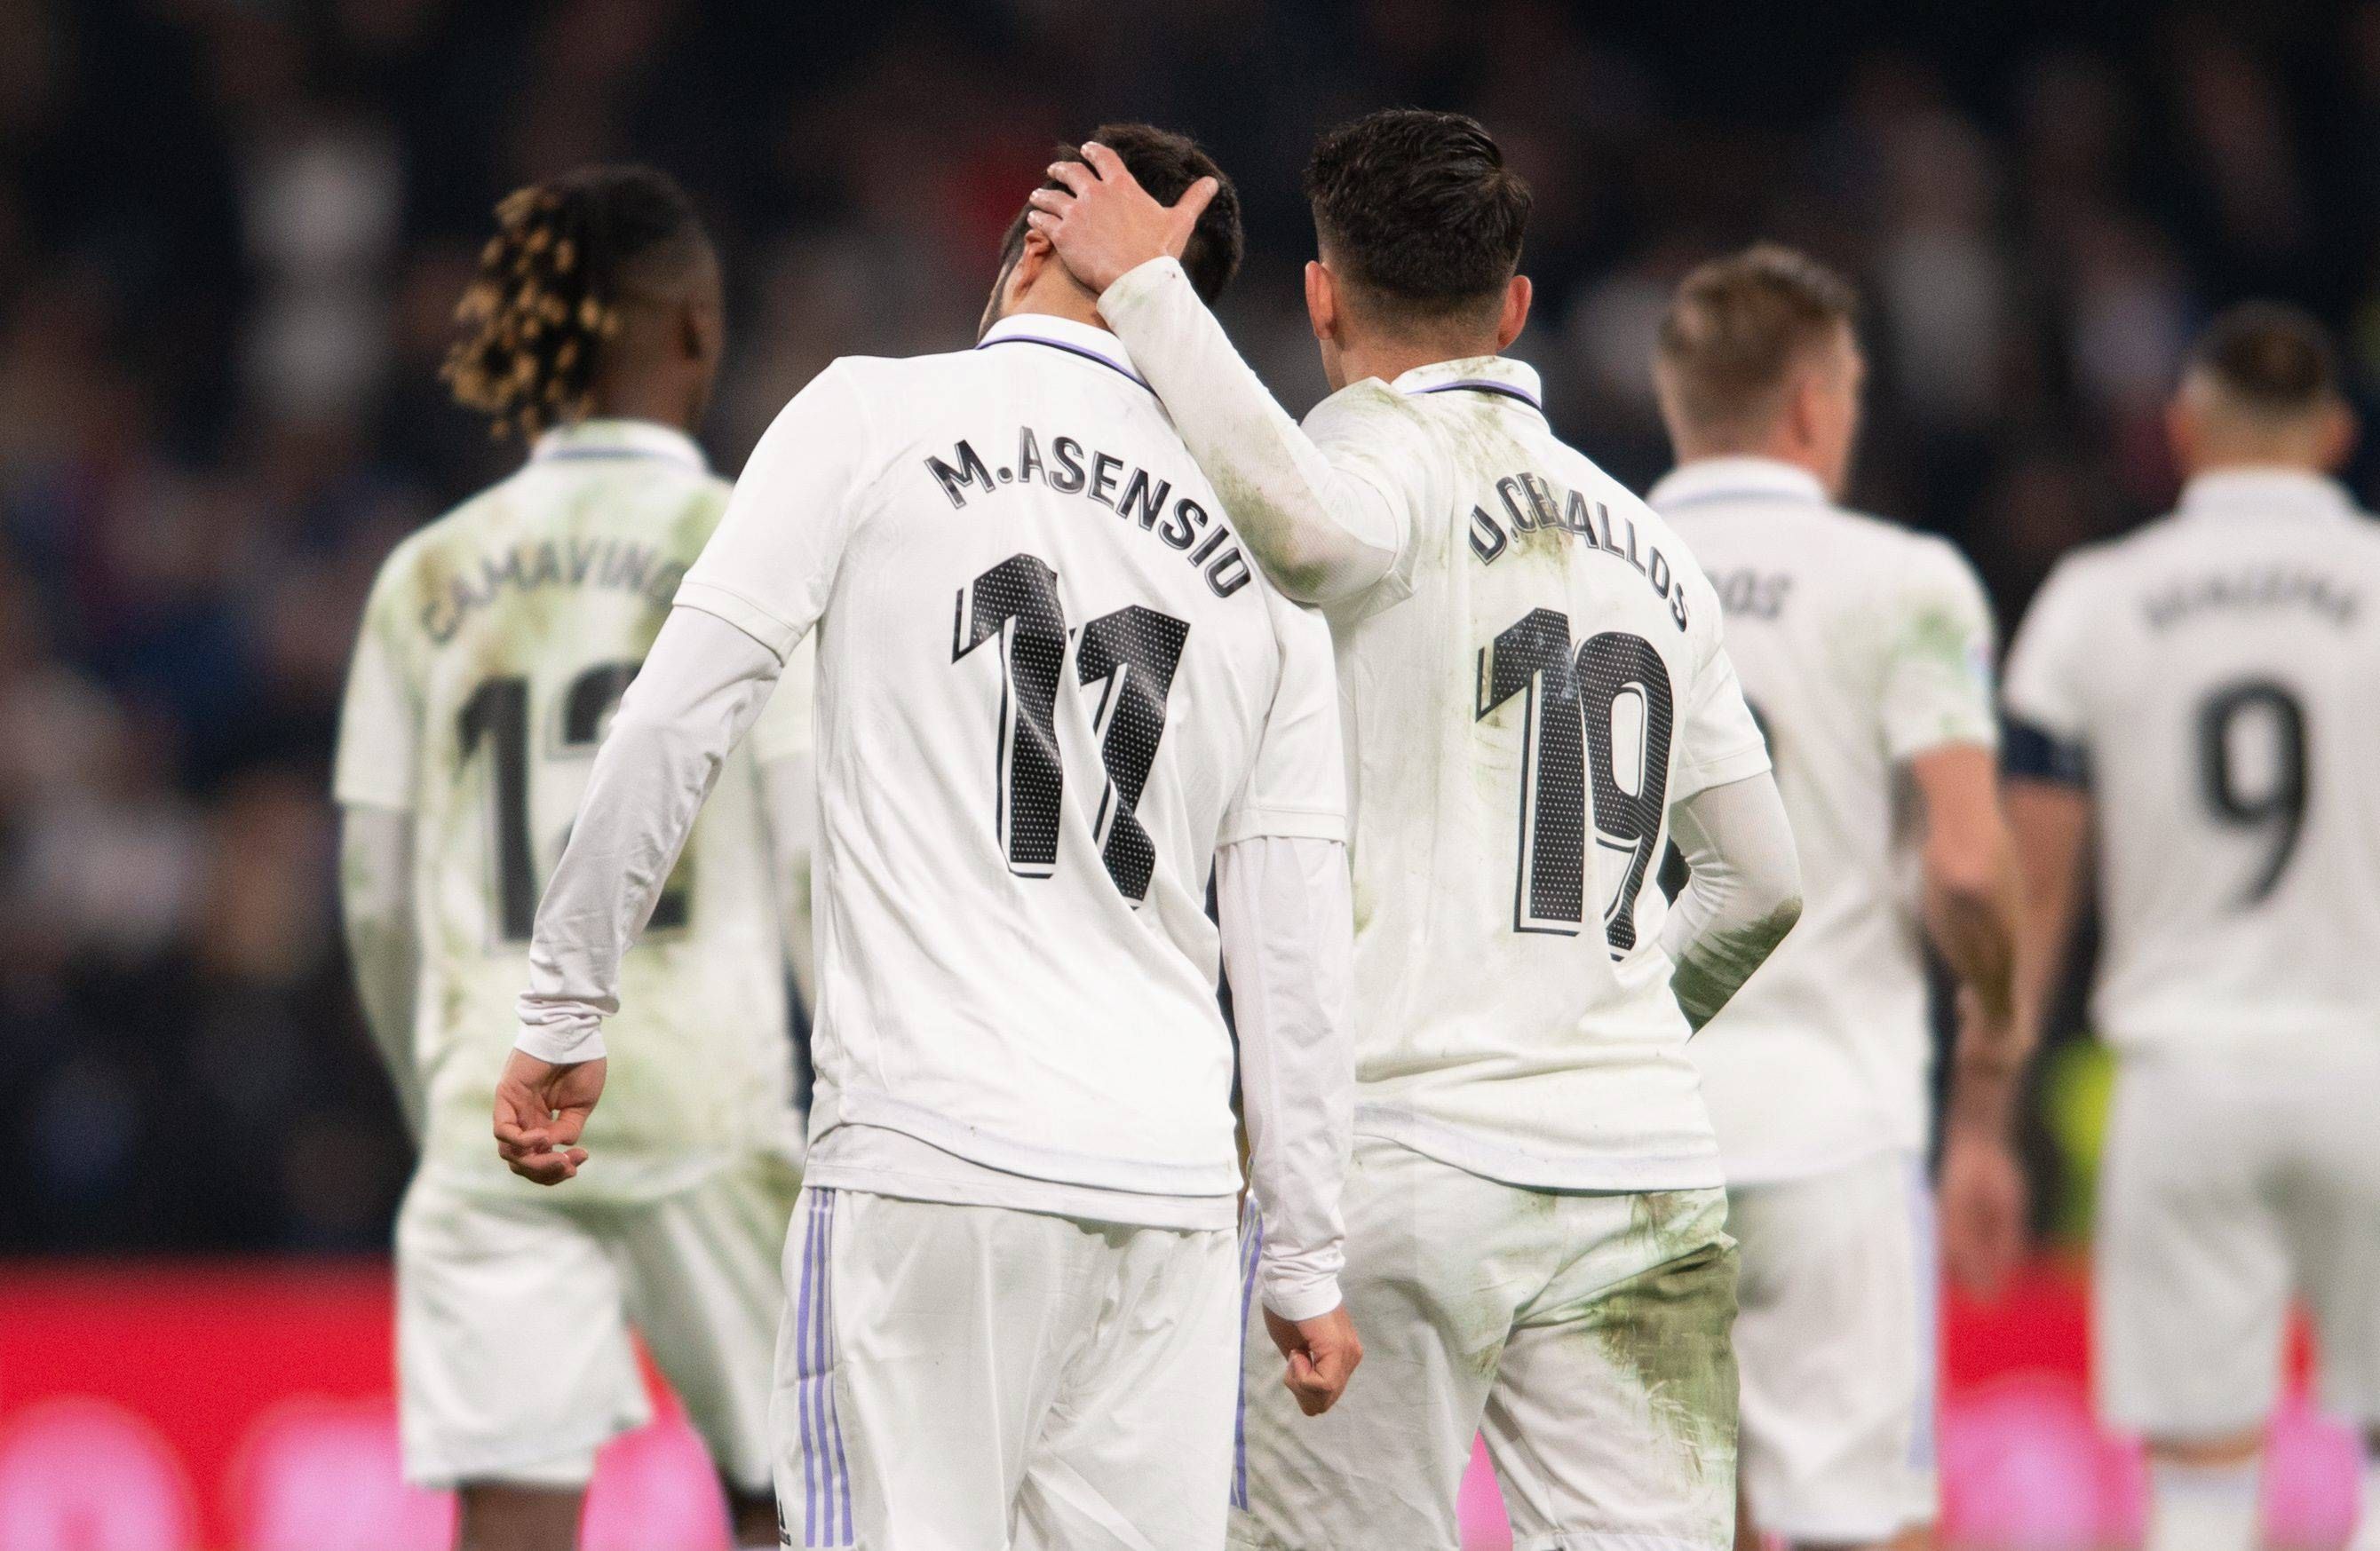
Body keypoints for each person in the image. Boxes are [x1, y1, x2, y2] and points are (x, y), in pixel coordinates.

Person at [493, 123, 1360, 1550]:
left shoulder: (871, 417)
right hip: (1168, 1189)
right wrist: (1309, 1252)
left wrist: (569, 1001)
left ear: (1032, 244)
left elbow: (671, 719)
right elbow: (1297, 940)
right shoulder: (1270, 549)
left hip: (929, 1154)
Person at [1030, 108, 1802, 1551]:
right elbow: (1762, 884)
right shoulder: (1656, 546)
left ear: (1321, 298)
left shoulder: (1375, 470)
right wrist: (1610, 1025)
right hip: (1641, 1166)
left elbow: (1314, 533)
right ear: (1512, 306)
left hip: (1402, 1156)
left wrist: (1143, 289)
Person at [334, 165, 813, 1551]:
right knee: (794, 1499)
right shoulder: (753, 544)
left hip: (498, 1099)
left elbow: (374, 894)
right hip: (710, 1094)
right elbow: (803, 859)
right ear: (697, 333)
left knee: (515, 1518)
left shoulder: (425, 573)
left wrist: (439, 1088)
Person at [1646, 243, 2027, 1551]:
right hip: (1834, 1127)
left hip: (1636, 1127)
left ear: (1677, 398)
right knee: (1867, 1525)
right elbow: (1971, 863)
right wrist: (1997, 1039)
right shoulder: (1906, 583)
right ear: (1814, 401)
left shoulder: (1589, 556)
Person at [2003, 302, 2380, 1551]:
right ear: (2330, 433)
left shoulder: (2097, 600)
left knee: (2201, 1490)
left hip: (2182, 1074)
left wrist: (1984, 1102)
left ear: (2183, 430)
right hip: (2366, 1057)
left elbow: (2035, 880)